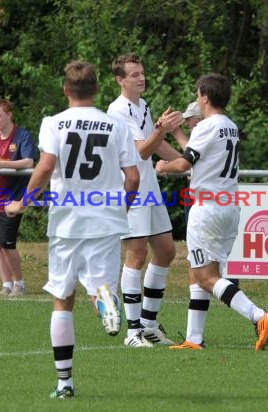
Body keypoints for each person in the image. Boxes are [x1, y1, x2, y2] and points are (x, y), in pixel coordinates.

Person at [5, 60, 139, 399]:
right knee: (100, 288)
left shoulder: (54, 123)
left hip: (67, 222)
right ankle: (105, 299)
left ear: (66, 90)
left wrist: (23, 201)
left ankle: (65, 383)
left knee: (62, 299)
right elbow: (133, 177)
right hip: (106, 220)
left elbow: (46, 166)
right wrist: (119, 208)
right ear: (96, 90)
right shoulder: (116, 125)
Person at [155, 73, 268, 351]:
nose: (197, 99)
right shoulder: (230, 126)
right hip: (228, 206)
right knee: (202, 272)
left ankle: (259, 316)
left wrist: (162, 167)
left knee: (206, 277)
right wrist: (176, 133)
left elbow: (185, 164)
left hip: (207, 207)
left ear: (206, 97)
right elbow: (200, 157)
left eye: (198, 95)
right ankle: (194, 339)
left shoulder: (208, 126)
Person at [107, 53, 184, 348]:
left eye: (142, 72)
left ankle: (150, 326)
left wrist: (189, 161)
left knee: (165, 251)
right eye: (134, 74)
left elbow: (158, 144)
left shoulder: (142, 106)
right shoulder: (117, 110)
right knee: (136, 255)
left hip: (149, 186)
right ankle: (133, 331)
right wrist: (160, 129)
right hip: (130, 187)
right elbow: (140, 150)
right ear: (120, 79)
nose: (141, 77)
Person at [0, 99, 36, 296]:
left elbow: (28, 162)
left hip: (13, 199)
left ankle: (19, 284)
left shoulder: (23, 135)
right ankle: (6, 285)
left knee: (8, 244)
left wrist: (1, 165)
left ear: (9, 114)